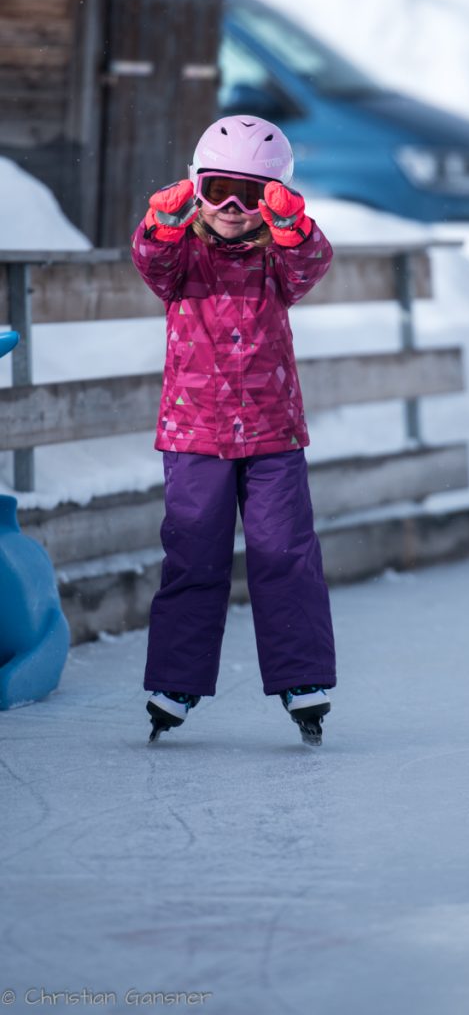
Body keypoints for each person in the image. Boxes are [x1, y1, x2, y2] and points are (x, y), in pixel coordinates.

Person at [131, 114, 336, 746]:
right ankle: (176, 682)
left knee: (285, 554)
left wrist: (294, 230)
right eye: (217, 190)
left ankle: (302, 679)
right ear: (195, 187)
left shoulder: (278, 260)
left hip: (273, 436)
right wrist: (160, 226)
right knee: (193, 556)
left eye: (248, 196)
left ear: (274, 199)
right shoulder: (182, 258)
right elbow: (150, 260)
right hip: (194, 435)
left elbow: (311, 263)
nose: (229, 209)